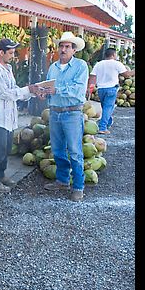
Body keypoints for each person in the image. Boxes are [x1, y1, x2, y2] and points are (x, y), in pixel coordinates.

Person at [0, 38, 43, 193]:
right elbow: (5, 93)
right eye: (10, 52)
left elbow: (14, 89)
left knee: (6, 148)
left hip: (8, 117)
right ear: (1, 52)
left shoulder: (8, 69)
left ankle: (0, 175)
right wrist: (27, 90)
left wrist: (31, 92)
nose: (13, 55)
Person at [42, 32, 89, 202]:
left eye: (67, 47)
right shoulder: (53, 67)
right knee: (58, 149)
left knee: (75, 151)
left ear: (74, 50)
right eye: (61, 46)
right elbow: (49, 87)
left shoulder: (81, 66)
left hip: (72, 113)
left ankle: (78, 186)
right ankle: (62, 181)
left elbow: (78, 89)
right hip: (55, 112)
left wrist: (57, 90)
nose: (63, 49)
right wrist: (44, 93)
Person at [89, 47, 135, 134]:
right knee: (108, 108)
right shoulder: (116, 64)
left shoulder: (99, 64)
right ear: (113, 55)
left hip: (100, 89)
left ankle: (108, 123)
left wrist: (90, 88)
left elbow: (92, 76)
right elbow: (126, 75)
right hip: (111, 89)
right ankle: (102, 127)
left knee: (105, 107)